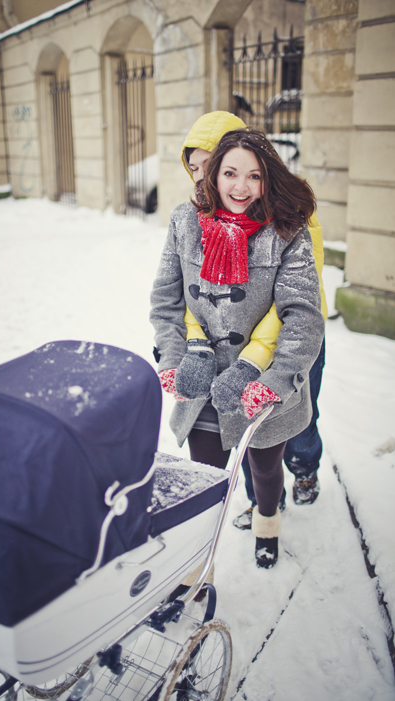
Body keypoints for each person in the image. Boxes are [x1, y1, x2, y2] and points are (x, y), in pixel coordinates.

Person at [150, 127, 325, 568]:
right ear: (214, 175)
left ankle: (267, 524)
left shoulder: (287, 230)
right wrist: (173, 357)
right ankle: (195, 568)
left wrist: (275, 381)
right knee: (205, 480)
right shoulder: (185, 222)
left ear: (268, 179)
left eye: (254, 176)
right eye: (230, 173)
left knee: (264, 470)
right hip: (203, 382)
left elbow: (303, 317)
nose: (240, 187)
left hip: (259, 383)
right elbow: (166, 301)